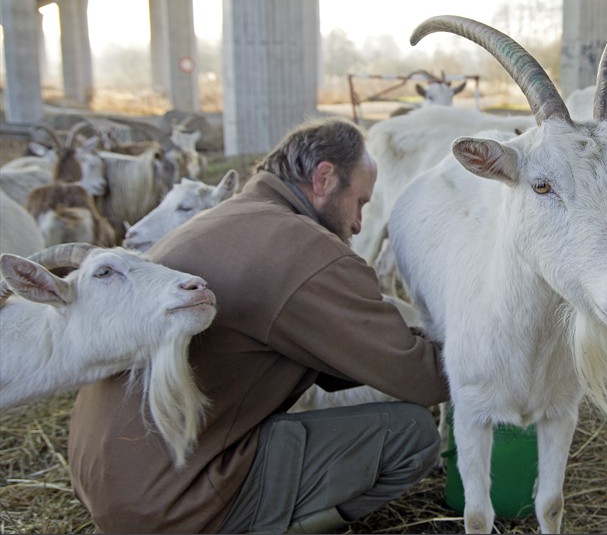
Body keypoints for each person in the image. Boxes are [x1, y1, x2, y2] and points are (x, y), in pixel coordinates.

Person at [68, 117, 450, 533]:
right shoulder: (304, 249)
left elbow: (335, 365)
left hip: (107, 481)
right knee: (411, 435)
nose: (359, 223)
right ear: (324, 178)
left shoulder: (218, 221)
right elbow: (427, 379)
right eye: (360, 202)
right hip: (169, 502)